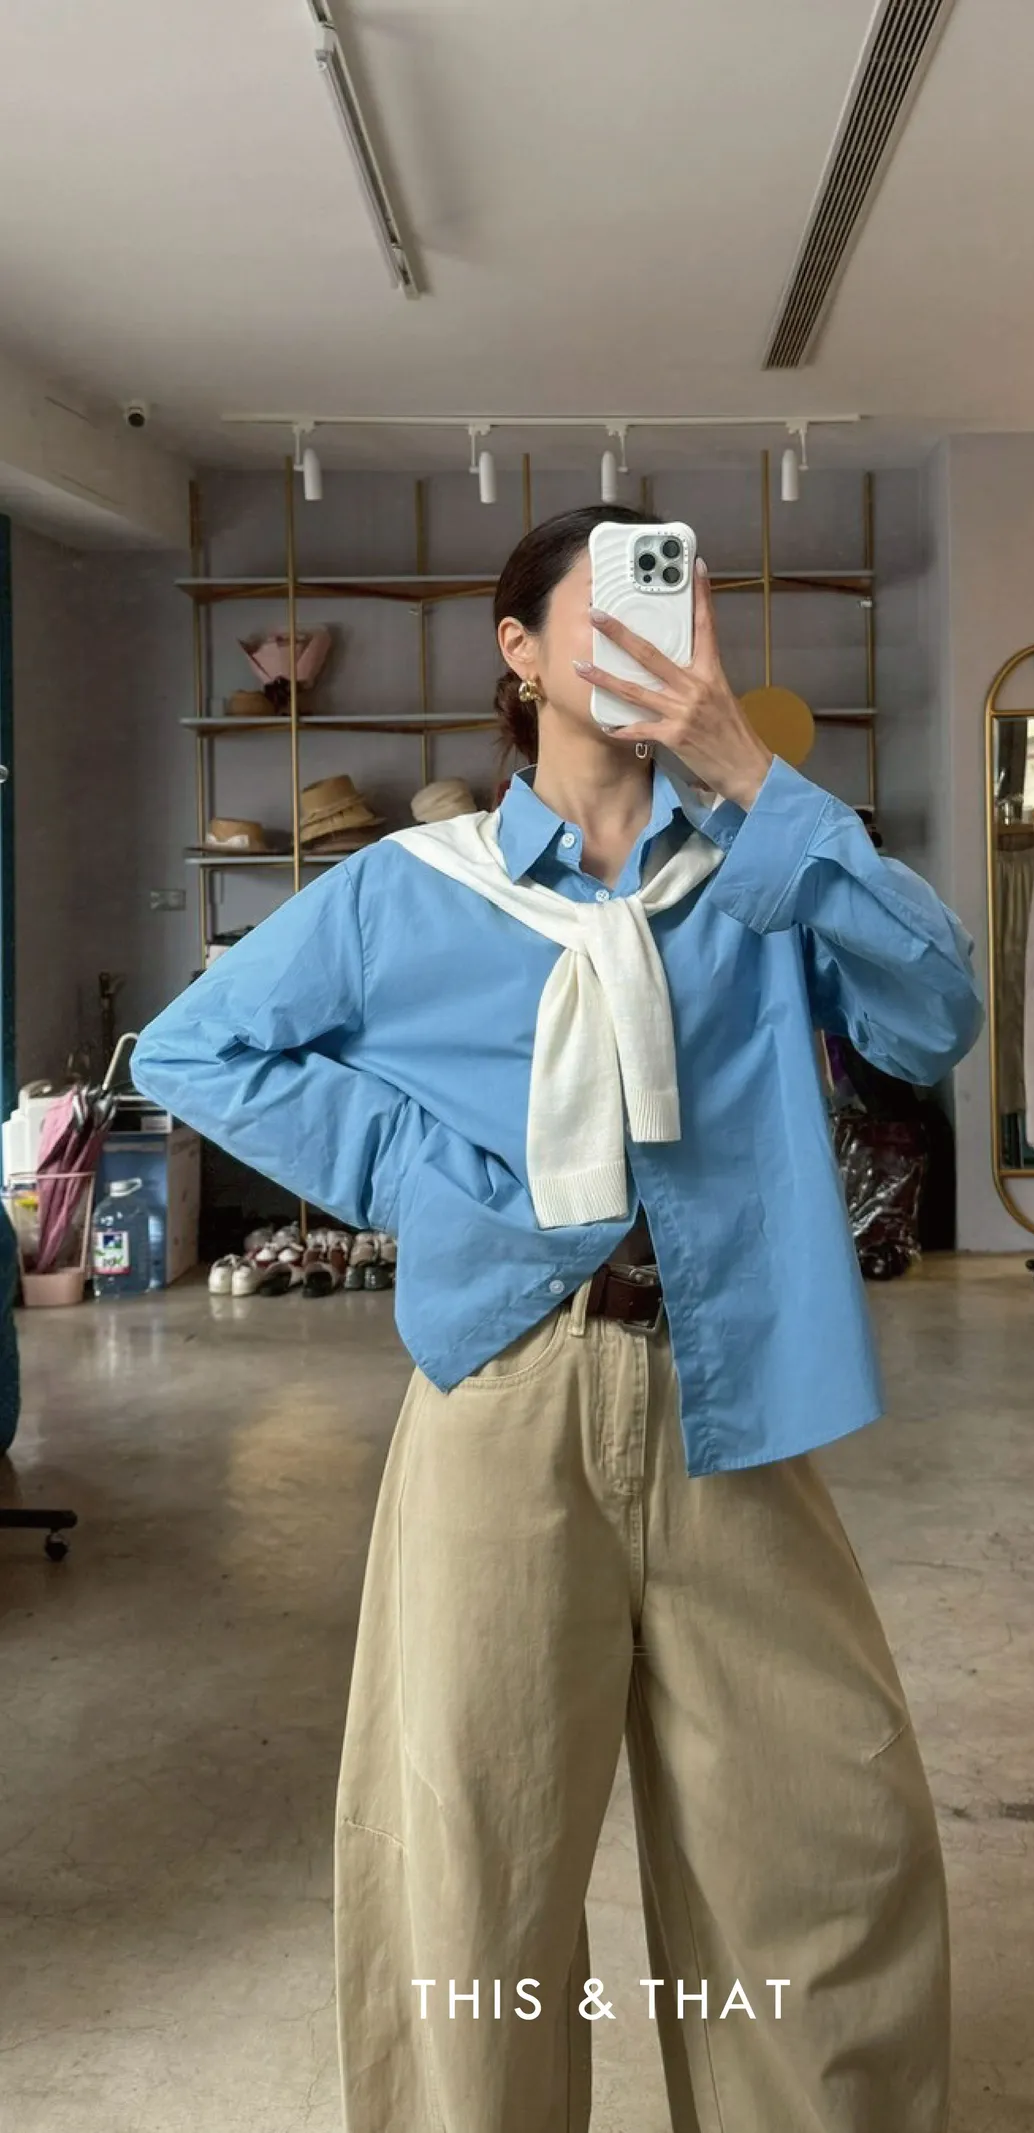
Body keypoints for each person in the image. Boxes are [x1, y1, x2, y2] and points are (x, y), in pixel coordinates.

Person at [130, 502, 984, 2133]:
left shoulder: (760, 870)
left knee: (824, 1837)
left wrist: (749, 774)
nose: (659, 633)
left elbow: (937, 1011)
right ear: (518, 653)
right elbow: (189, 1049)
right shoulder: (409, 890)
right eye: (615, 607)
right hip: (509, 1389)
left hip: (735, 1390)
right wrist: (423, 1169)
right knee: (472, 1851)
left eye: (686, 606)